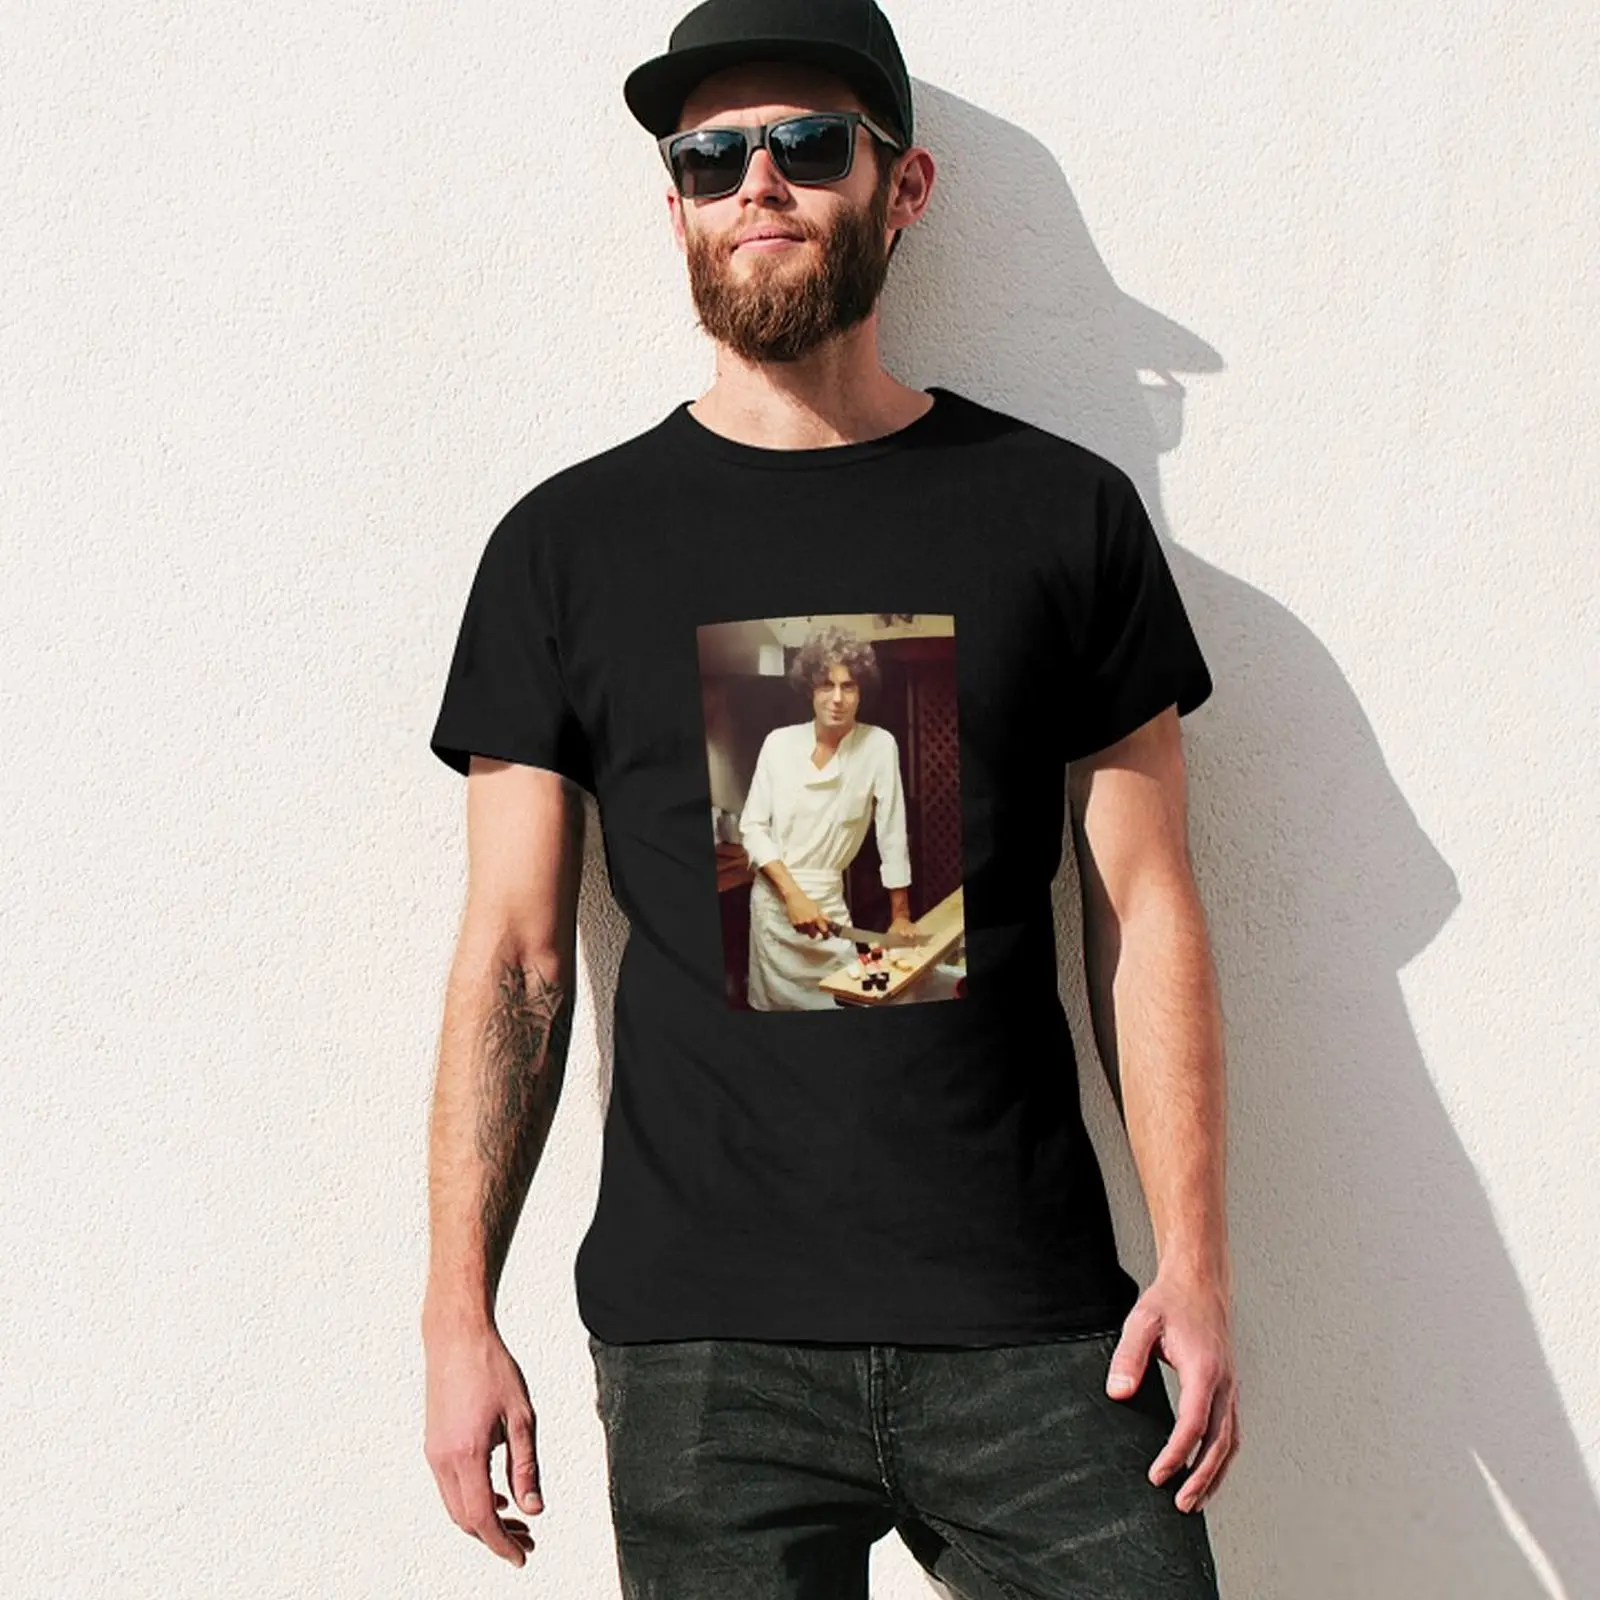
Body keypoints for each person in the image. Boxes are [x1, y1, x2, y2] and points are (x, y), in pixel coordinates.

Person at [422, 0, 1239, 1594]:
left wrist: (1197, 1264)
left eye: (808, 144)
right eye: (710, 156)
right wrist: (460, 1313)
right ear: (675, 205)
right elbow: (514, 959)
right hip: (703, 1356)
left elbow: (1145, 911)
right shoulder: (565, 550)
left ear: (901, 186)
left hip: (1032, 1322)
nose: (759, 182)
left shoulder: (1062, 517)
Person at [739, 624, 919, 1010]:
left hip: (828, 908)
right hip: (775, 908)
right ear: (810, 689)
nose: (837, 698)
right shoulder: (778, 744)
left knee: (842, 1005)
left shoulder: (879, 745)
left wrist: (900, 915)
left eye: (848, 686)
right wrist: (793, 897)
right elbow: (752, 828)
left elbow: (892, 833)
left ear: (861, 691)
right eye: (826, 685)